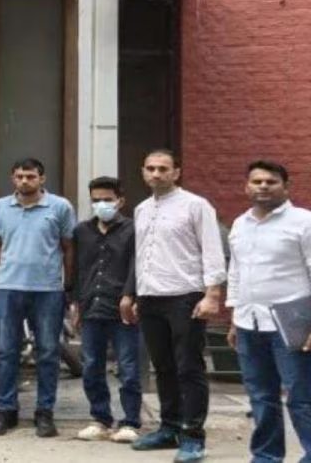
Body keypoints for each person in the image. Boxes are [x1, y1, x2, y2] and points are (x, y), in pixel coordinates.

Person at [226, 160, 311, 463]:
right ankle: (266, 456)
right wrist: (234, 319)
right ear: (246, 187)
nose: (263, 186)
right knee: (261, 397)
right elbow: (236, 273)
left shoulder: (307, 223)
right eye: (257, 181)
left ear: (286, 187)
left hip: (291, 325)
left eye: (271, 181)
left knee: (302, 396)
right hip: (249, 323)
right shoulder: (240, 224)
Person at [124, 149, 226, 463]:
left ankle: (193, 436)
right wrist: (136, 295)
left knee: (189, 368)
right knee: (163, 367)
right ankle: (169, 428)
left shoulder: (196, 206)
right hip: (151, 298)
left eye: (163, 168)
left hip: (185, 297)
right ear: (143, 171)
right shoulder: (142, 209)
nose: (156, 174)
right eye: (150, 168)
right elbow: (142, 255)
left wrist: (212, 294)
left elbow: (212, 250)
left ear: (176, 172)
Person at [0, 158, 76, 438]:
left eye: (31, 176)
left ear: (42, 178)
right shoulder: (0, 206)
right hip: (8, 287)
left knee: (48, 351)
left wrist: (69, 285)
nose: (25, 181)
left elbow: (68, 247)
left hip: (47, 290)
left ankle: (44, 412)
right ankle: (6, 410)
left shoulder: (60, 207)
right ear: (13, 178)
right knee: (6, 351)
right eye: (20, 176)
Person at [70, 176, 142, 444]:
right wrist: (76, 302)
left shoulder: (133, 229)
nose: (102, 204)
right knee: (91, 366)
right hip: (91, 305)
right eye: (96, 200)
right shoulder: (82, 231)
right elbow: (78, 269)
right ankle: (100, 419)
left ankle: (131, 421)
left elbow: (137, 265)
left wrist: (130, 295)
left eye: (107, 200)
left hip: (123, 308)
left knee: (128, 367)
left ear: (120, 201)